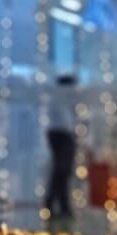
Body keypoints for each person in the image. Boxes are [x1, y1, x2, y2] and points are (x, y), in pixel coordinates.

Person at [44, 73, 78, 222]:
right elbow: (65, 122)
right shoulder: (59, 101)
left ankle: (62, 205)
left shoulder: (60, 101)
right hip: (61, 135)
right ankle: (53, 204)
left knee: (62, 172)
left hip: (61, 134)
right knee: (61, 170)